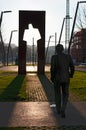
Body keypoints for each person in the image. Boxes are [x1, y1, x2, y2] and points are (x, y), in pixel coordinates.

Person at [50, 44, 75, 118]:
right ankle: (63, 109)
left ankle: (58, 110)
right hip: (66, 78)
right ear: (63, 49)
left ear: (56, 50)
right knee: (65, 94)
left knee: (57, 94)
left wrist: (52, 77)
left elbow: (53, 69)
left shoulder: (54, 57)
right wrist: (71, 75)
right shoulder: (68, 56)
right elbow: (72, 67)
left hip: (57, 79)